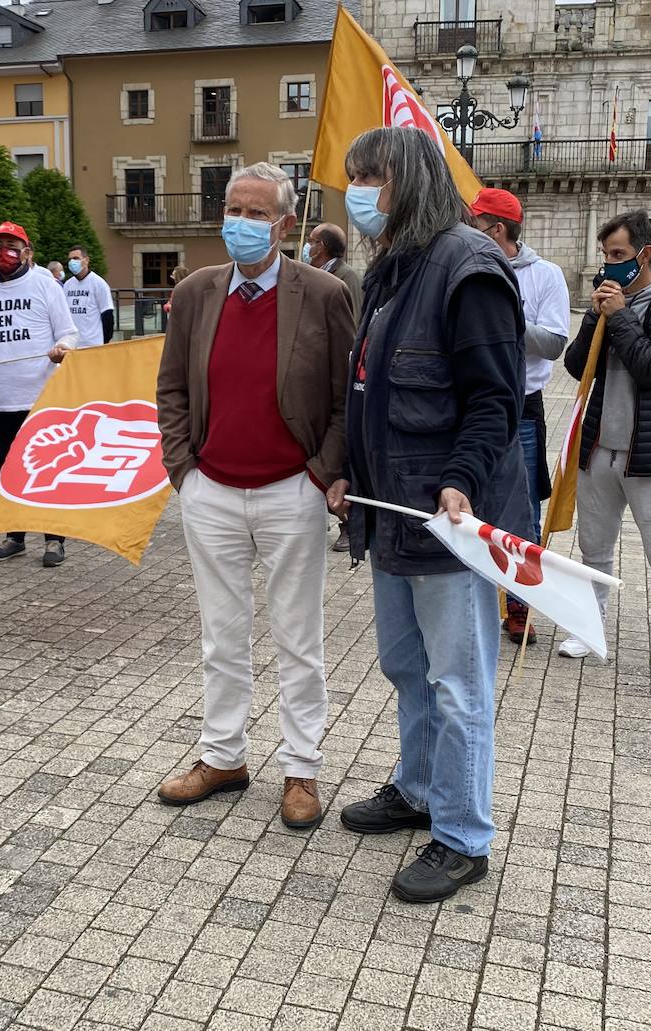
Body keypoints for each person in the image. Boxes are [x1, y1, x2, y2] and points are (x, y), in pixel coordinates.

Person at [325, 128, 529, 904]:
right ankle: (416, 791)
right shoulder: (391, 270)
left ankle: (463, 836)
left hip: (446, 521)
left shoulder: (468, 268)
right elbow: (369, 390)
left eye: (369, 177)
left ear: (406, 178)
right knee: (407, 668)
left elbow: (495, 401)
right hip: (388, 518)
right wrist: (345, 472)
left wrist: (461, 481)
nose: (359, 192)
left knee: (459, 684)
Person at [156, 162, 354, 832]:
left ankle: (301, 766)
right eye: (232, 209)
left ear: (284, 223)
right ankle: (223, 756)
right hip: (211, 488)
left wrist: (324, 474)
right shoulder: (198, 291)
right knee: (222, 635)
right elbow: (173, 387)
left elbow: (340, 398)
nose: (239, 222)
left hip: (291, 491)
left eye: (254, 212)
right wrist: (183, 470)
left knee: (298, 638)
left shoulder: (323, 294)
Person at [560, 210, 651, 681]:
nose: (609, 265)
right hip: (600, 447)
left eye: (618, 255)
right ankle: (589, 622)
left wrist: (619, 319)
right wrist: (593, 319)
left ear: (644, 255)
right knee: (594, 548)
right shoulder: (606, 304)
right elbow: (579, 368)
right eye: (605, 255)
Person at [470, 188, 571, 642]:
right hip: (469, 402)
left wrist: (503, 318)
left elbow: (553, 342)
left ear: (498, 229)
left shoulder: (545, 275)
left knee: (522, 510)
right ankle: (469, 600)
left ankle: (519, 607)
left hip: (520, 407)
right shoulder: (465, 268)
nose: (466, 230)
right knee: (466, 500)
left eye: (474, 223)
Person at [0, 221, 79, 567]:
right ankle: (15, 536)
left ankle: (54, 539)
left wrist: (61, 348)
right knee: (7, 472)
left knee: (47, 470)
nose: (3, 252)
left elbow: (69, 333)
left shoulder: (45, 286)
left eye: (11, 244)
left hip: (39, 396)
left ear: (27, 252)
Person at [304, 222, 364, 553]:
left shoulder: (346, 277)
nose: (308, 245)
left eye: (312, 241)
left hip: (336, 374)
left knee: (336, 456)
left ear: (323, 246)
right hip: (312, 376)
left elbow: (350, 326)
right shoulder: (308, 273)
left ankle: (349, 524)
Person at [304, 222, 364, 318]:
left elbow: (353, 320)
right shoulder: (314, 275)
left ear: (321, 246)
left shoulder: (348, 276)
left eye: (310, 241)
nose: (307, 246)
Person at [63, 246, 115, 348]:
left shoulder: (98, 284)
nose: (72, 262)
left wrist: (104, 341)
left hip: (92, 344)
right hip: (72, 344)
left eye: (76, 258)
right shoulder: (68, 285)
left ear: (86, 260)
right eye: (70, 259)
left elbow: (107, 315)